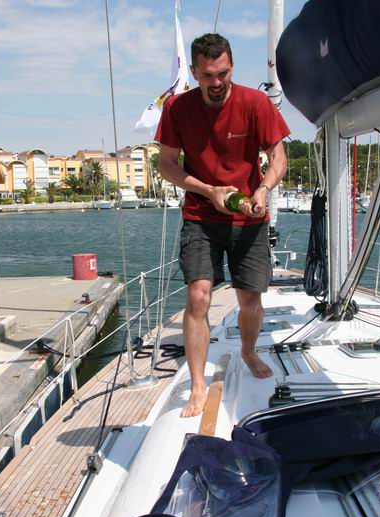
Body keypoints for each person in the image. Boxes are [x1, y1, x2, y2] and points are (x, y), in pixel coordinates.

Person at [155, 33, 289, 417]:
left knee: (250, 300)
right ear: (194, 72)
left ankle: (248, 351)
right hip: (201, 214)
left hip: (249, 215)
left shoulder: (255, 103)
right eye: (207, 75)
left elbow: (279, 159)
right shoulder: (177, 108)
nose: (216, 82)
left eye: (223, 73)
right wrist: (207, 190)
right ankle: (198, 385)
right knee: (199, 296)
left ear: (232, 67)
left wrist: (263, 189)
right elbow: (166, 165)